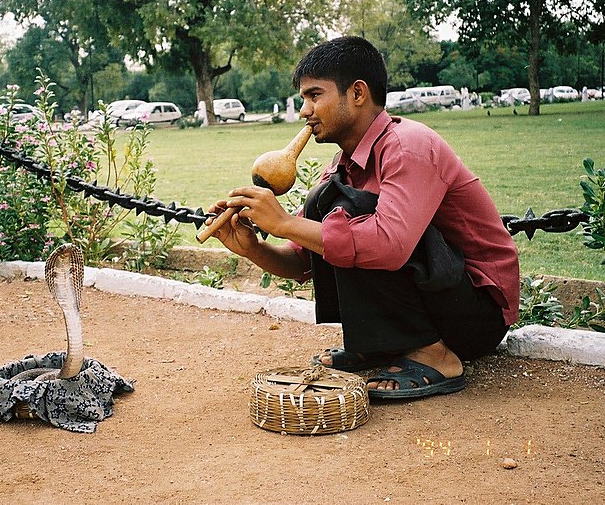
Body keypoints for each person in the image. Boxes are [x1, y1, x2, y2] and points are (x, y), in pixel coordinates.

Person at [204, 36, 519, 400]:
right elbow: (305, 258)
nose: (305, 110)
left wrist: (284, 222)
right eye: (303, 98)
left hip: (475, 316)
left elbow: (390, 246)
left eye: (315, 95)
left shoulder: (407, 144)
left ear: (357, 93)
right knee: (326, 203)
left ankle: (435, 355)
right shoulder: (340, 166)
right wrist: (254, 247)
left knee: (353, 211)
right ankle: (380, 344)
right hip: (437, 302)